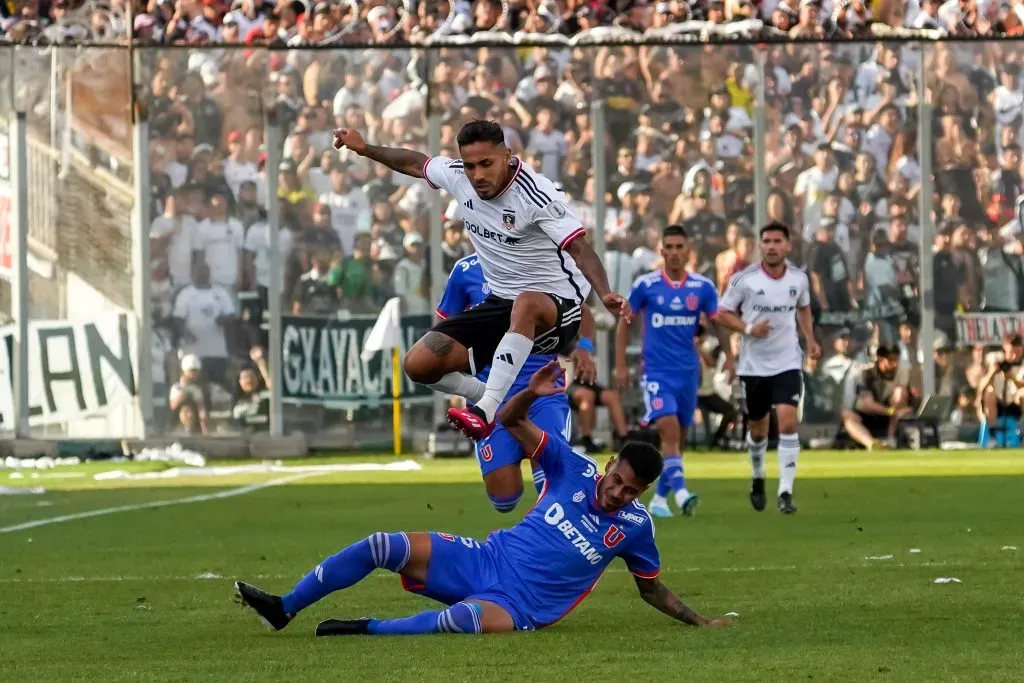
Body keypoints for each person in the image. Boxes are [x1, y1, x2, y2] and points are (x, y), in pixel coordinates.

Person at [234, 362, 732, 636]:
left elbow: (651, 589)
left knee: (458, 623)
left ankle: (366, 628)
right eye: (617, 480)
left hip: (522, 607)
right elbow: (514, 423)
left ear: (641, 493)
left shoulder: (637, 527)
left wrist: (700, 621)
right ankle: (286, 607)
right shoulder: (572, 467)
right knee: (383, 545)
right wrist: (530, 393)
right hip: (486, 558)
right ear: (608, 467)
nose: (617, 493)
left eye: (629, 491)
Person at [333, 120, 629, 441]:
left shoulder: (535, 194)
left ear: (507, 155)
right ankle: (487, 394)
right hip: (502, 303)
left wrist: (606, 293)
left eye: (486, 164)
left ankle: (486, 411)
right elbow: (416, 163)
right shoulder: (459, 177)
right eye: (470, 165)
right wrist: (364, 149)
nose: (477, 175)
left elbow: (579, 248)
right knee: (419, 364)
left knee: (526, 301)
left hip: (558, 304)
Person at [437, 254, 596, 511]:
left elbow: (581, 310)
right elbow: (443, 331)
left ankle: (547, 540)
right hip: (490, 398)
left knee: (552, 482)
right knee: (504, 499)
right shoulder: (465, 271)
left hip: (542, 392)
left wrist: (585, 348)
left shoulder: (541, 261)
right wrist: (459, 378)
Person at [614, 225, 734, 518]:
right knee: (668, 432)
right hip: (656, 373)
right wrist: (619, 364)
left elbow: (717, 322)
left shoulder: (702, 287)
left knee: (677, 441)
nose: (675, 252)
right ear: (662, 250)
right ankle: (682, 495)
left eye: (681, 247)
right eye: (670, 246)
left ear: (688, 250)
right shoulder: (646, 285)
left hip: (687, 373)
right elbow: (624, 321)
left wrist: (730, 355)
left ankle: (658, 500)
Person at [716, 223, 821, 514]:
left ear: (788, 246)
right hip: (753, 366)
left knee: (788, 422)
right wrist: (749, 328)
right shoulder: (744, 279)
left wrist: (810, 339)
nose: (772, 246)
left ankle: (786, 491)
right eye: (767, 241)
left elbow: (803, 307)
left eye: (777, 241)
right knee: (759, 430)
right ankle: (758, 476)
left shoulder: (799, 279)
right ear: (760, 246)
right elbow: (721, 314)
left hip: (788, 361)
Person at [841, 346, 912, 450]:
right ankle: (872, 444)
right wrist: (892, 411)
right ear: (880, 359)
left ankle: (890, 438)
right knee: (847, 416)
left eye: (897, 360)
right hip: (867, 415)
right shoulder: (866, 373)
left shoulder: (902, 372)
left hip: (889, 418)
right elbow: (868, 405)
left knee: (900, 392)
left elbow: (902, 397)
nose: (895, 364)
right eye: (891, 360)